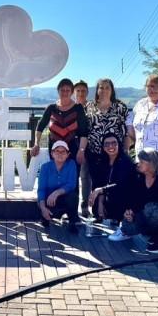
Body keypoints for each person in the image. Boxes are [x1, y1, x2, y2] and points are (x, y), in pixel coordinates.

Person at [30, 79, 89, 194]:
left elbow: (84, 132)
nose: (65, 92)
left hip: (72, 150)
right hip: (55, 151)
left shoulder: (78, 108)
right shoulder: (51, 108)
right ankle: (55, 208)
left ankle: (72, 209)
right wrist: (36, 143)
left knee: (72, 180)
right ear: (58, 91)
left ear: (72, 92)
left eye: (68, 90)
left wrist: (81, 151)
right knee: (55, 178)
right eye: (62, 90)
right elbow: (40, 126)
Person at [119, 148, 158, 254]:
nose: (138, 164)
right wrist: (130, 212)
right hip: (148, 212)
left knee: (150, 208)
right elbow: (134, 199)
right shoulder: (139, 176)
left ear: (151, 163)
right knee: (127, 226)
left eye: (141, 162)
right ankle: (156, 234)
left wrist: (140, 211)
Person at [85, 78, 129, 212]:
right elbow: (85, 130)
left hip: (114, 152)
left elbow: (127, 130)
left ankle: (114, 212)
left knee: (114, 181)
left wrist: (126, 149)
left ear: (112, 90)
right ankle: (98, 212)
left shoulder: (120, 107)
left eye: (107, 88)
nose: (104, 90)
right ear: (97, 90)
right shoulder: (89, 107)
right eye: (101, 88)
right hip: (95, 151)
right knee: (97, 181)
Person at [87, 134, 136, 225]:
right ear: (103, 147)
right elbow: (98, 183)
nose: (110, 146)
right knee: (95, 200)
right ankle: (103, 215)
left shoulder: (125, 161)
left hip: (123, 198)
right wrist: (100, 201)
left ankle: (119, 217)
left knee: (111, 195)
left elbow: (121, 185)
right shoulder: (101, 161)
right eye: (107, 144)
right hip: (108, 196)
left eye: (114, 143)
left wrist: (100, 190)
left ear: (119, 145)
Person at [37, 140, 80, 233]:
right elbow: (41, 189)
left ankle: (72, 222)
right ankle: (46, 215)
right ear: (52, 153)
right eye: (57, 151)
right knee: (45, 215)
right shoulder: (45, 167)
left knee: (73, 196)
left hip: (64, 199)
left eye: (63, 151)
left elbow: (72, 184)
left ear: (68, 154)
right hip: (49, 201)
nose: (60, 154)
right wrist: (43, 208)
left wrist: (56, 193)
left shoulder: (71, 164)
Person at [72, 80, 92, 216]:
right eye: (78, 90)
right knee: (72, 176)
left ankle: (85, 206)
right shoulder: (70, 106)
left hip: (88, 145)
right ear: (74, 92)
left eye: (83, 90)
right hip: (71, 144)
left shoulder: (92, 107)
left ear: (87, 92)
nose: (80, 93)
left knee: (85, 176)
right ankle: (71, 207)